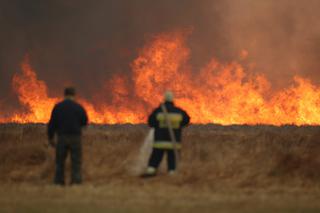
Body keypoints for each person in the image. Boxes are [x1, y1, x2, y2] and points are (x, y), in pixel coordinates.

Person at [142, 91, 190, 177]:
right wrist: (177, 126)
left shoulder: (158, 111)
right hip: (173, 141)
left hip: (159, 142)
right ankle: (171, 173)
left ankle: (151, 170)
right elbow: (186, 121)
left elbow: (151, 122)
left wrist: (159, 125)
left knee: (156, 157)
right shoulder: (179, 112)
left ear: (164, 99)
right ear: (172, 100)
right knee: (172, 159)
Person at [47, 87, 88, 185]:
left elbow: (52, 124)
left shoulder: (58, 107)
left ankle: (59, 181)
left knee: (60, 161)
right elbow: (84, 121)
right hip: (75, 137)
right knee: (76, 161)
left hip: (62, 137)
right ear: (74, 95)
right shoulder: (78, 107)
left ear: (64, 95)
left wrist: (51, 137)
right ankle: (76, 181)